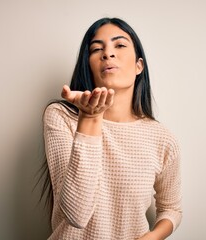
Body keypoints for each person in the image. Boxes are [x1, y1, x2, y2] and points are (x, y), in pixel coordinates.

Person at [40, 17, 182, 240]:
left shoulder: (162, 138)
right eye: (97, 49)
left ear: (139, 66)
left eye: (120, 45)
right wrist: (90, 117)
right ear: (89, 64)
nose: (108, 53)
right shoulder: (61, 116)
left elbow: (172, 208)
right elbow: (76, 214)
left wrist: (153, 237)